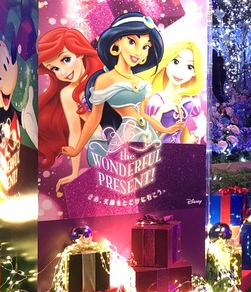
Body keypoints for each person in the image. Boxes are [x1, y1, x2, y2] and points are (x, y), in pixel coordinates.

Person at [61, 13, 184, 165]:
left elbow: (143, 114)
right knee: (127, 171)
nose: (139, 52)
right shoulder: (104, 80)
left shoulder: (140, 81)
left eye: (145, 47)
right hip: (127, 135)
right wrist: (77, 149)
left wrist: (166, 130)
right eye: (132, 41)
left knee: (152, 172)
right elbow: (94, 118)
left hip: (148, 134)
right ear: (116, 42)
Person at [37, 27, 104, 195]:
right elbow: (75, 133)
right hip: (99, 147)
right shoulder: (67, 93)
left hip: (127, 139)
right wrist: (74, 172)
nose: (63, 72)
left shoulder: (104, 78)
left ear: (79, 52)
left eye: (66, 59)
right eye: (54, 68)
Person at [146, 39, 207, 144]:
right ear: (167, 62)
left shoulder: (191, 100)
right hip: (157, 151)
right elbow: (147, 135)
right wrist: (161, 111)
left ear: (194, 72)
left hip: (180, 150)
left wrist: (188, 143)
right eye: (175, 62)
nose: (180, 72)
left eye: (189, 67)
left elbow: (204, 125)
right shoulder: (156, 100)